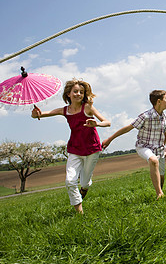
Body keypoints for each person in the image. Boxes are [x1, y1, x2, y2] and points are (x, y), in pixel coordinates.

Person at [31, 79, 111, 214]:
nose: (78, 94)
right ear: (68, 94)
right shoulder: (65, 110)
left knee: (84, 183)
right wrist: (35, 114)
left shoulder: (88, 107)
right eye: (75, 91)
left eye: (81, 92)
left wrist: (96, 124)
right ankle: (79, 212)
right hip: (75, 149)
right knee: (70, 181)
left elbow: (107, 122)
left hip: (92, 149)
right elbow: (42, 114)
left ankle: (85, 187)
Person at [102, 90, 166, 199]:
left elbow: (164, 135)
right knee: (153, 160)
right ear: (159, 101)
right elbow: (128, 128)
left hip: (159, 149)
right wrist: (110, 139)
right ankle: (159, 193)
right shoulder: (145, 116)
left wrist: (163, 149)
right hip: (144, 147)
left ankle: (160, 192)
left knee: (161, 174)